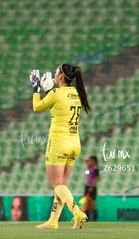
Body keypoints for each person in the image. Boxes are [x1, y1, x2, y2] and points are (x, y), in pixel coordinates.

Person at [29, 63, 91, 230]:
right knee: (61, 184)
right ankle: (53, 221)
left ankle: (77, 212)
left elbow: (37, 107)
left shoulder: (57, 93)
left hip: (59, 142)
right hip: (74, 143)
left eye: (56, 72)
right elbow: (59, 105)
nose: (55, 75)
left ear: (61, 77)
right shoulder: (77, 93)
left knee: (56, 184)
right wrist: (49, 90)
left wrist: (36, 89)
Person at [84, 156, 100, 221]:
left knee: (92, 204)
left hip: (91, 187)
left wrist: (92, 187)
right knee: (86, 204)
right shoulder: (90, 168)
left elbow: (97, 178)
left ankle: (94, 220)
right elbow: (85, 161)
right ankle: (87, 219)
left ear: (94, 161)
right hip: (87, 186)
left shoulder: (95, 169)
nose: (89, 162)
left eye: (90, 161)